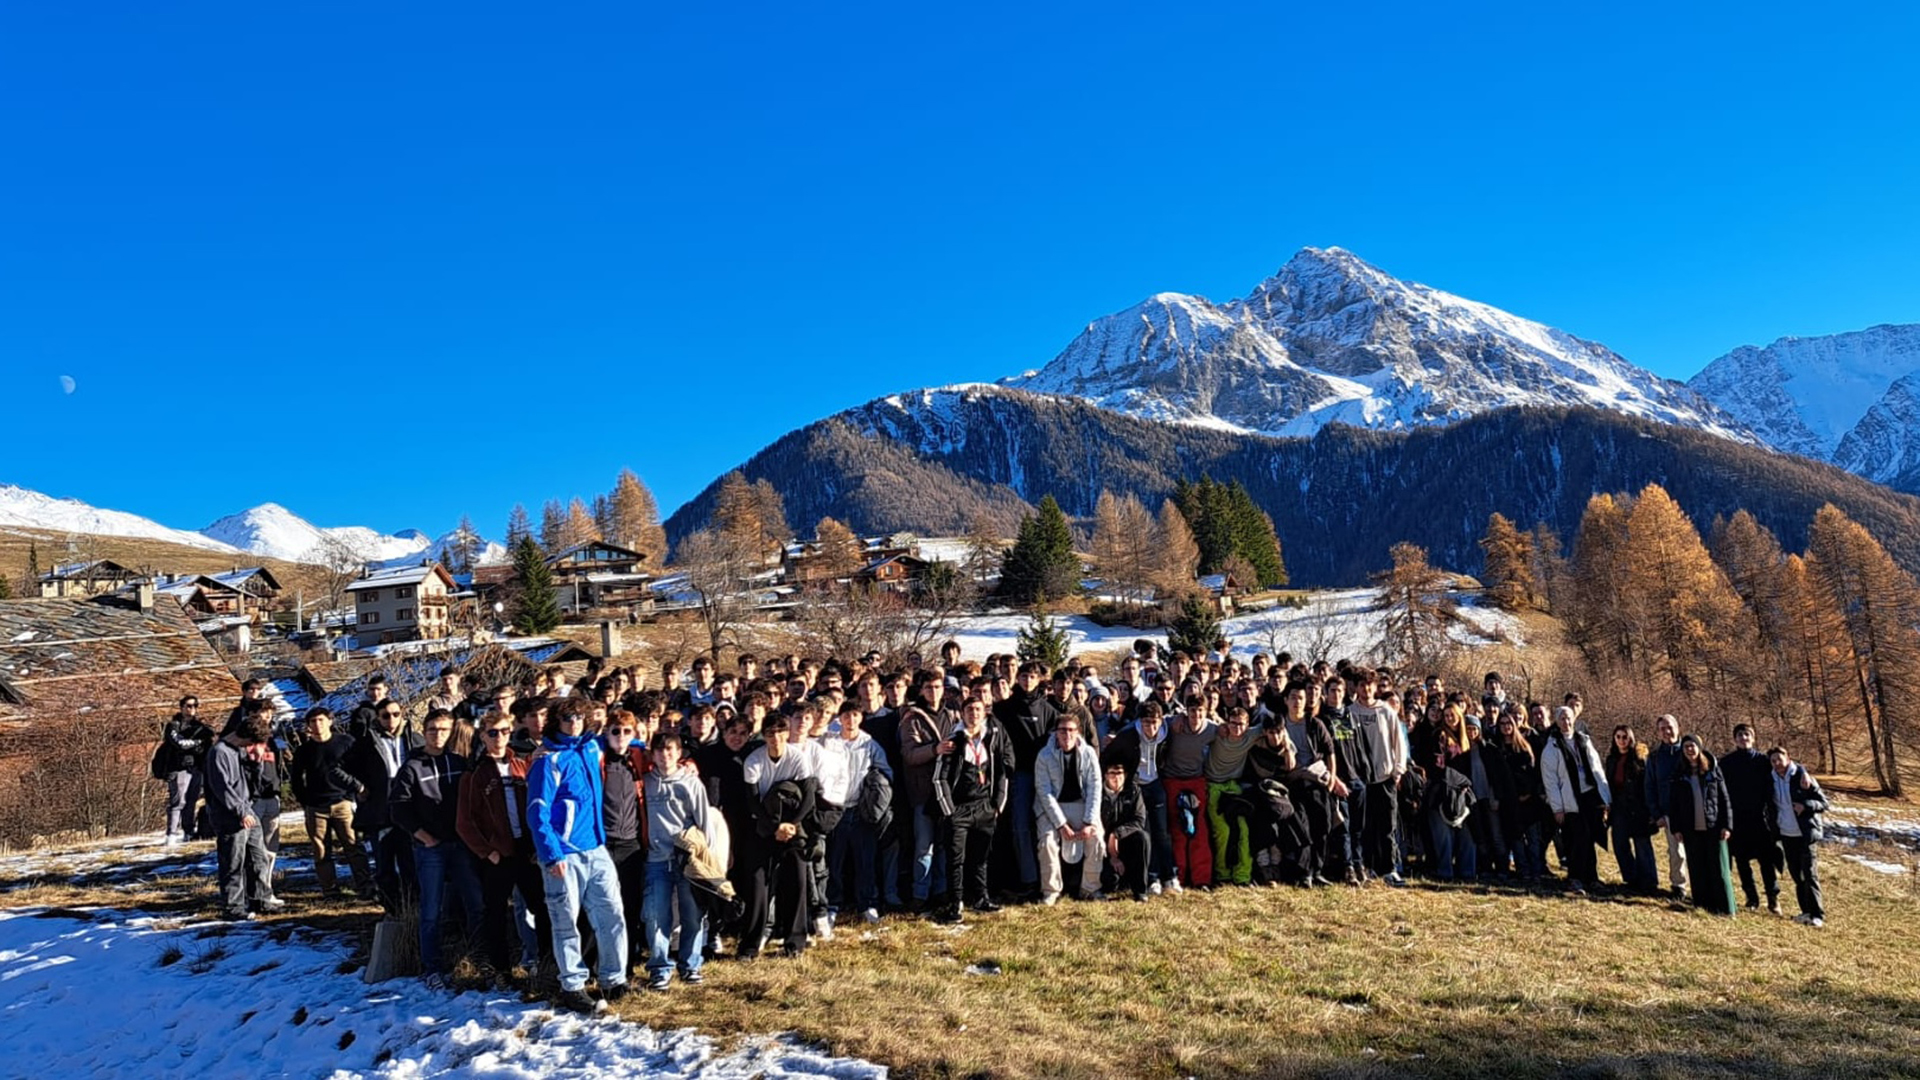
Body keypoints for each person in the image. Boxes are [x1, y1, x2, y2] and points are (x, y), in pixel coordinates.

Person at [527, 697, 632, 1013]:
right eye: (568, 718)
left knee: (611, 913)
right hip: (564, 854)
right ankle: (571, 984)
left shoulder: (589, 749)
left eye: (579, 717)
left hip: (596, 848)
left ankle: (613, 978)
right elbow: (537, 811)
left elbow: (628, 740)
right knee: (565, 921)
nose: (574, 722)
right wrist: (551, 853)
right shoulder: (548, 761)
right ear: (557, 722)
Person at [390, 708, 484, 989]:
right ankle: (432, 966)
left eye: (444, 730)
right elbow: (398, 808)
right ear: (425, 731)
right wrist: (422, 835)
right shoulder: (412, 766)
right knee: (431, 910)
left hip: (461, 845)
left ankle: (479, 958)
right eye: (433, 730)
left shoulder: (459, 761)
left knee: (476, 904)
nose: (438, 735)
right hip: (430, 848)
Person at [456, 710, 550, 986]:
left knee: (541, 907)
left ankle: (546, 963)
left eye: (505, 731)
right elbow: (464, 822)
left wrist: (537, 845)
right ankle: (501, 969)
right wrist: (487, 852)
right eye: (493, 732)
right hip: (497, 853)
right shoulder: (474, 774)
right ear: (482, 736)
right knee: (495, 912)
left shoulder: (522, 765)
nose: (499, 737)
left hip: (526, 848)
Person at [932, 696, 1011, 924]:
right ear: (963, 714)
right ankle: (955, 902)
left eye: (978, 709)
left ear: (984, 713)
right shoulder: (953, 741)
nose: (974, 714)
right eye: (969, 710)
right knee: (956, 859)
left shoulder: (992, 738)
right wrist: (948, 809)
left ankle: (980, 898)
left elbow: (1002, 772)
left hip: (985, 807)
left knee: (981, 857)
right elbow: (940, 778)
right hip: (959, 809)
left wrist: (998, 804)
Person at [642, 732, 711, 990]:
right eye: (659, 750)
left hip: (687, 858)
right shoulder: (646, 782)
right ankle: (660, 968)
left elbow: (704, 821)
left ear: (679, 753)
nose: (664, 755)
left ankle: (691, 964)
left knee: (692, 914)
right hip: (656, 860)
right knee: (657, 915)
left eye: (670, 749)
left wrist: (706, 858)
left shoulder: (691, 783)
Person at [344, 697, 417, 913]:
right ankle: (391, 908)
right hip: (380, 810)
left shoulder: (413, 738)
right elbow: (338, 769)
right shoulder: (366, 742)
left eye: (396, 714)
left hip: (409, 807)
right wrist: (359, 787)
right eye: (385, 715)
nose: (391, 719)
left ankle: (413, 907)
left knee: (410, 863)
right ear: (378, 718)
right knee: (385, 864)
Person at [289, 708, 371, 897]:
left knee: (353, 846)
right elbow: (296, 780)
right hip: (316, 806)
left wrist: (354, 792)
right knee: (321, 850)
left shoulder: (345, 742)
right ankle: (330, 889)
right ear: (308, 726)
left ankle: (365, 885)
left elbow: (359, 769)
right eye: (313, 721)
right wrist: (306, 801)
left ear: (330, 721)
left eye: (321, 720)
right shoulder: (304, 750)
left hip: (342, 803)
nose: (317, 725)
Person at [204, 711, 274, 920]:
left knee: (258, 857)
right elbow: (222, 787)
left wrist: (256, 762)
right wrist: (240, 811)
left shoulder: (240, 751)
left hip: (247, 809)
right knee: (233, 861)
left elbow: (253, 784)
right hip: (229, 815)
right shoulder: (220, 753)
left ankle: (261, 899)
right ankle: (233, 906)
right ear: (246, 738)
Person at [1102, 701, 1174, 893]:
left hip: (1156, 782)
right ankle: (1152, 878)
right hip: (1135, 785)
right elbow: (1108, 757)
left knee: (1162, 831)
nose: (1151, 727)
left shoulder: (1167, 732)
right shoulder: (1127, 735)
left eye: (1155, 722)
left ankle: (1169, 876)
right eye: (1146, 722)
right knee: (1145, 831)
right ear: (1140, 721)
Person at [1034, 712, 1104, 904]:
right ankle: (1051, 890)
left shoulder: (1089, 753)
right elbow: (1044, 792)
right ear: (1056, 732)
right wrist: (1061, 825)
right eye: (1062, 730)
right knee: (1047, 841)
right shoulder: (1044, 755)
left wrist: (1089, 821)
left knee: (1096, 838)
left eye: (1071, 730)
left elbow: (1095, 786)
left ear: (1078, 732)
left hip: (1082, 805)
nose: (1067, 735)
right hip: (1053, 808)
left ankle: (1090, 887)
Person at [1540, 705, 1609, 895]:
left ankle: (1592, 878)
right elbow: (1551, 781)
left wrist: (1605, 798)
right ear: (1556, 721)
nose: (1566, 721)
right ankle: (1575, 878)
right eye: (1562, 718)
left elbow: (1597, 771)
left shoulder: (1584, 741)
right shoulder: (1552, 747)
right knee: (1578, 838)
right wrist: (1557, 808)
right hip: (1569, 800)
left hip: (1589, 796)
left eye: (1569, 718)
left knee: (1591, 837)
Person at [1668, 734, 1736, 916]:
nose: (1690, 750)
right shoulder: (1679, 774)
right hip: (1690, 829)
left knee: (1718, 870)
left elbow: (1724, 799)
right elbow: (1673, 805)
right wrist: (1676, 829)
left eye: (1692, 746)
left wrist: (1727, 825)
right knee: (1697, 869)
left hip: (1714, 828)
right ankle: (1702, 906)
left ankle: (1724, 908)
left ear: (1699, 747)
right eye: (1686, 747)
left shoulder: (1712, 770)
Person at [1722, 724, 1782, 913]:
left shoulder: (1764, 761)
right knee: (1742, 861)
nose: (1743, 738)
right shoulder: (1726, 763)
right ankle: (1751, 897)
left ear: (1753, 738)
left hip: (1760, 820)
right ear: (1735, 739)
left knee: (1766, 861)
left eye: (1746, 734)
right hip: (1738, 820)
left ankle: (1773, 899)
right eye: (1739, 735)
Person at [1765, 747, 1828, 927]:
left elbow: (1824, 803)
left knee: (1810, 875)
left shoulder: (1801, 777)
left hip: (1805, 834)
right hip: (1786, 834)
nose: (1777, 763)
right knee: (1797, 876)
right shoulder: (1771, 780)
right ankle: (1805, 912)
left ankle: (1818, 915)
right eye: (1773, 760)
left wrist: (1805, 805)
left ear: (1788, 758)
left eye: (1780, 759)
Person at [1202, 706, 1260, 887]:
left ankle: (1242, 875)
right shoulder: (1217, 733)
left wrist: (1289, 749)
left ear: (1247, 724)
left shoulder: (1251, 735)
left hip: (1234, 787)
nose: (1237, 728)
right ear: (1227, 723)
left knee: (1243, 830)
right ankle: (1222, 874)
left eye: (1241, 724)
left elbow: (1277, 728)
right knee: (1223, 832)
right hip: (1213, 786)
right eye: (1233, 724)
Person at [1604, 725, 1658, 893]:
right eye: (1618, 737)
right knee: (1619, 843)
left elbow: (1648, 784)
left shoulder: (1639, 758)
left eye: (1625, 737)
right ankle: (1631, 878)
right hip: (1619, 806)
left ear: (1631, 738)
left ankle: (1649, 882)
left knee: (1642, 844)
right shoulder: (1611, 759)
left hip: (1638, 806)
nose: (1621, 740)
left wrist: (1650, 810)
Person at [158, 695, 214, 845]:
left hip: (196, 768)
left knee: (191, 801)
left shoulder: (200, 728)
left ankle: (188, 831)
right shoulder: (173, 726)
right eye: (188, 706)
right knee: (178, 802)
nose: (192, 709)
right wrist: (198, 742)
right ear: (181, 707)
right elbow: (180, 743)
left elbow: (208, 743)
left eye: (195, 706)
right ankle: (171, 834)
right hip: (178, 768)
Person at [1645, 714, 1689, 898]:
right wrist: (1656, 813)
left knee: (1696, 850)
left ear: (1678, 727)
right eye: (1662, 729)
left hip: (1692, 810)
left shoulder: (1689, 750)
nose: (1666, 731)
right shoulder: (1655, 757)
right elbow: (1649, 786)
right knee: (1676, 852)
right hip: (1669, 811)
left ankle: (1703, 886)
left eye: (1669, 727)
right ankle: (1679, 885)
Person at [1098, 762, 1150, 901]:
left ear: (1126, 775)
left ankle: (1140, 891)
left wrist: (1116, 834)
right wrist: (1112, 856)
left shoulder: (1134, 791)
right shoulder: (1097, 793)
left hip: (1125, 842)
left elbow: (1139, 820)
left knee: (1142, 837)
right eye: (1112, 773)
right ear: (1105, 775)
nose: (1116, 778)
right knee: (1110, 882)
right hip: (1102, 847)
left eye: (1119, 773)